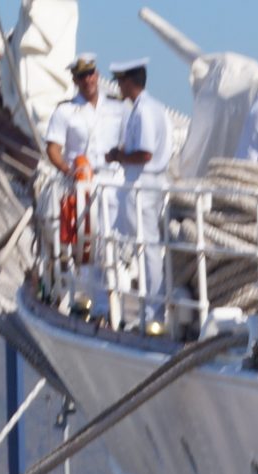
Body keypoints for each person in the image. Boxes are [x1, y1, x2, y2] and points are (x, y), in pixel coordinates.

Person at [103, 59, 172, 309]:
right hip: (144, 183)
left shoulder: (144, 111)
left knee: (146, 246)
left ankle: (154, 306)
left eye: (120, 82)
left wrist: (118, 157)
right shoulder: (150, 107)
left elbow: (145, 153)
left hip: (142, 185)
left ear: (129, 82)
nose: (118, 87)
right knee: (143, 245)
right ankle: (151, 303)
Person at [43, 56, 110, 273]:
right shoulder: (66, 111)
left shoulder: (114, 107)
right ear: (75, 80)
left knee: (111, 237)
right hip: (78, 184)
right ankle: (77, 271)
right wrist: (67, 170)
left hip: (110, 182)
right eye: (82, 76)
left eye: (90, 74)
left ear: (97, 75)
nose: (87, 80)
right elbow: (53, 149)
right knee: (80, 238)